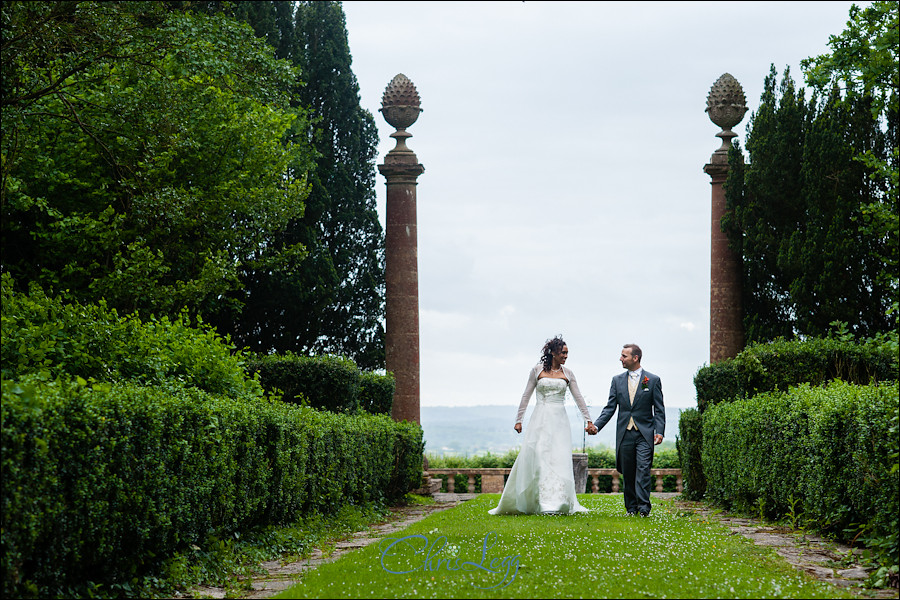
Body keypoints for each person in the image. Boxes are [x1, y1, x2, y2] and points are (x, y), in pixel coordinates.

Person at [488, 336, 594, 515]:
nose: (566, 356)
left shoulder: (568, 374)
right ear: (553, 352)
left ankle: (558, 500)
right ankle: (538, 500)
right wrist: (518, 419)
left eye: (567, 353)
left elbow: (579, 398)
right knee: (538, 455)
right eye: (563, 353)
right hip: (540, 418)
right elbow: (526, 396)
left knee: (558, 458)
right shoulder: (536, 371)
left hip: (559, 421)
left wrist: (588, 420)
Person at [587, 344, 665, 517]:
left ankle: (644, 508)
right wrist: (597, 426)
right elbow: (610, 408)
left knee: (643, 470)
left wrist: (659, 431)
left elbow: (659, 409)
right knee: (628, 471)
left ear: (635, 358)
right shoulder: (616, 380)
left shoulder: (652, 380)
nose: (620, 359)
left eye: (624, 356)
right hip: (625, 433)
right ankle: (631, 508)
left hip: (645, 433)